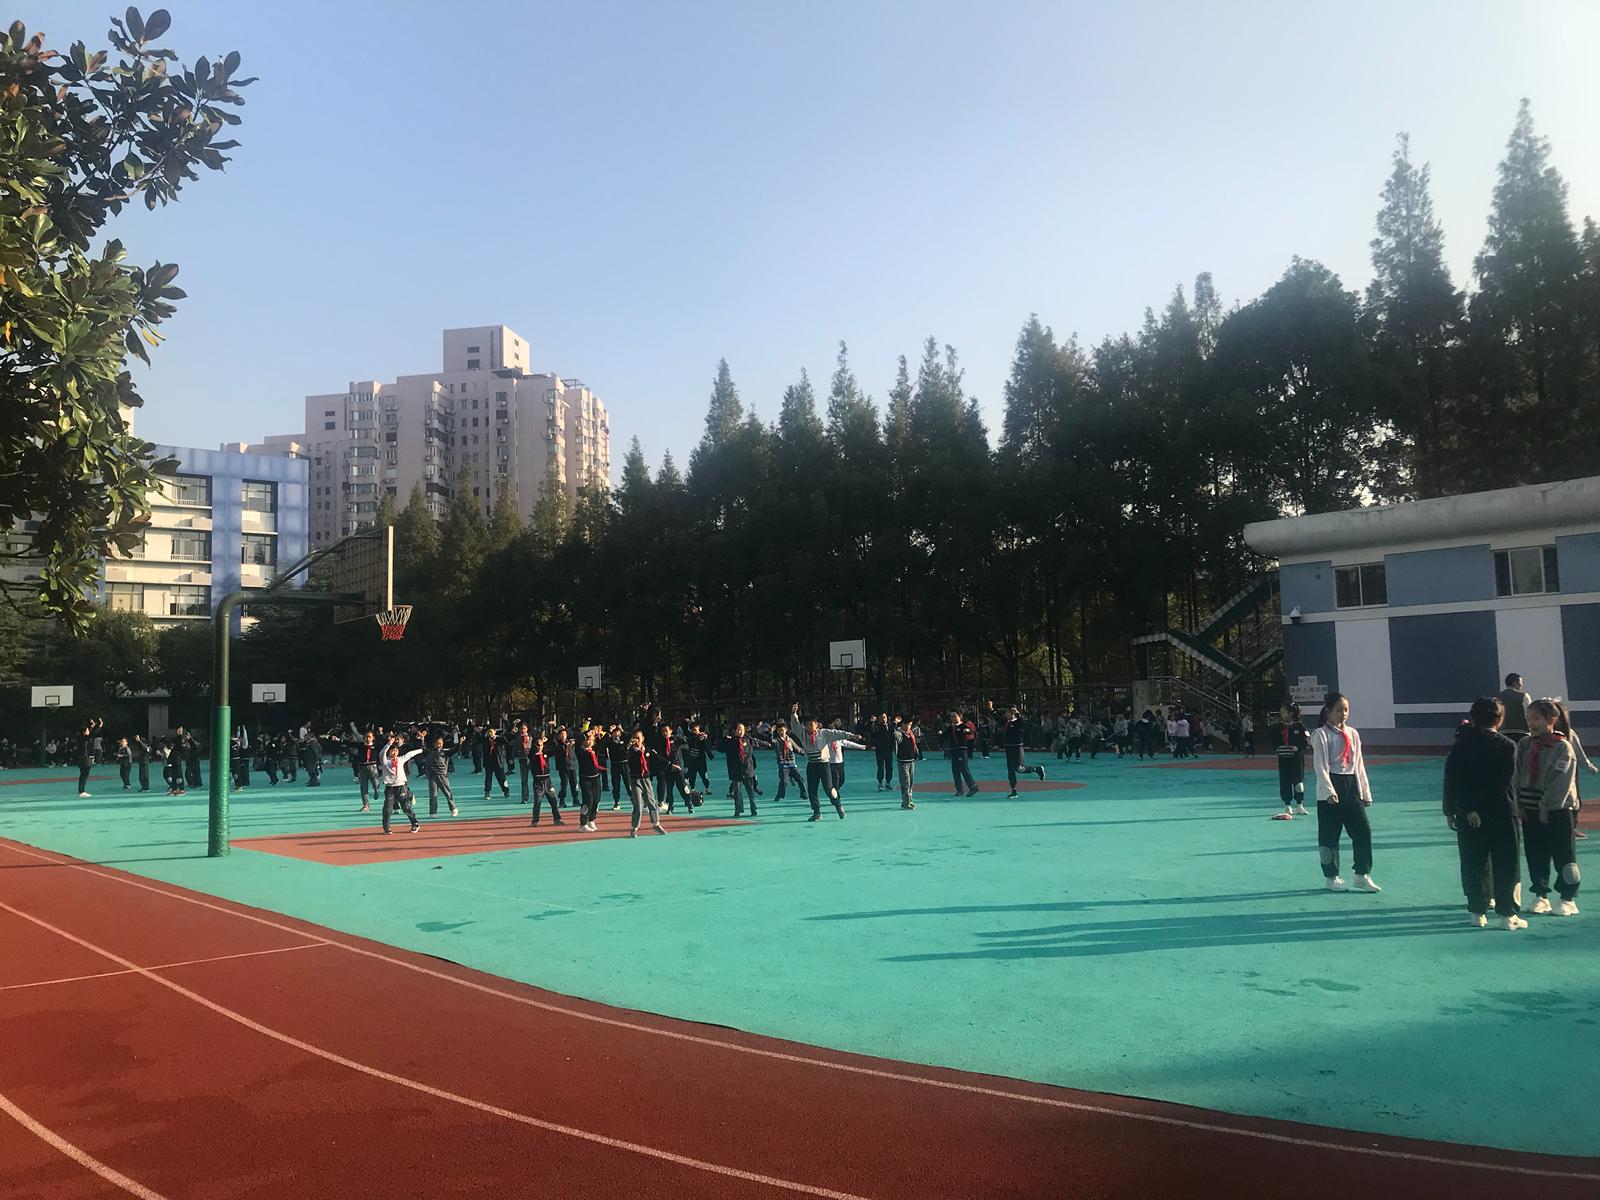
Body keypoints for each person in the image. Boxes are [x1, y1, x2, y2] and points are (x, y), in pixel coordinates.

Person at [1443, 697, 1525, 929]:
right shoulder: (1508, 745)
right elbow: (1504, 780)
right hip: (1502, 811)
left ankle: (1477, 911)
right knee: (1507, 863)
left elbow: (1454, 779)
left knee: (1473, 861)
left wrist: (1462, 809)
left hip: (1469, 815)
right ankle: (1507, 914)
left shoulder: (1461, 745)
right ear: (1500, 720)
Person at [1515, 699, 1580, 916]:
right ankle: (1540, 895)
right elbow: (1516, 773)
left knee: (1564, 855)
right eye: (1528, 719)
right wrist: (1518, 803)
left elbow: (1560, 783)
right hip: (1530, 808)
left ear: (1552, 719)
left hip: (1558, 810)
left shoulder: (1563, 747)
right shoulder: (1525, 744)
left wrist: (1546, 807)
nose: (1531, 723)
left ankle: (1568, 898)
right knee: (1535, 853)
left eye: (1535, 719)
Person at [1310, 693, 1380, 893]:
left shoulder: (1353, 734)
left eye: (1346, 709)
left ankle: (1361, 875)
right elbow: (1320, 766)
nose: (1344, 713)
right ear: (1328, 711)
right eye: (1339, 709)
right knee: (1329, 836)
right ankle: (1331, 877)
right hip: (1331, 788)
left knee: (1363, 831)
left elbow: (1359, 764)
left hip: (1351, 787)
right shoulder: (1320, 734)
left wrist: (1365, 792)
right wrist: (1328, 790)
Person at [624, 729, 667, 838]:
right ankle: (634, 827)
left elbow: (658, 758)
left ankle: (656, 824)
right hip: (635, 780)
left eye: (638, 738)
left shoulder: (647, 750)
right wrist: (628, 746)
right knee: (638, 804)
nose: (636, 740)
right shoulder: (631, 751)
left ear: (643, 739)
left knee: (651, 801)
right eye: (634, 738)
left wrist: (671, 764)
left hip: (646, 779)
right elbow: (624, 753)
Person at [1274, 703, 1311, 820]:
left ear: (1291, 713)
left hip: (1297, 759)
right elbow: (1272, 740)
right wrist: (1277, 748)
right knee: (1285, 781)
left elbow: (1306, 742)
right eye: (1281, 712)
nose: (1282, 714)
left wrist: (1298, 748)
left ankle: (1299, 804)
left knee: (1298, 782)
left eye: (1284, 712)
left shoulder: (1300, 727)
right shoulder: (1279, 728)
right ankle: (1287, 805)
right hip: (1283, 758)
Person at [1001, 706, 1047, 799]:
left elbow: (1023, 723)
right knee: (1010, 770)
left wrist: (1017, 713)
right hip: (1008, 749)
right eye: (1006, 713)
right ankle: (1013, 791)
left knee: (1019, 769)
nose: (1006, 714)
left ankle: (1037, 769)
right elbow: (997, 718)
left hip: (1018, 748)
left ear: (1013, 713)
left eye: (1008, 713)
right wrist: (991, 708)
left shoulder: (1018, 722)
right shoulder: (1007, 722)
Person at [378, 739, 423, 834]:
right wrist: (388, 744)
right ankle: (387, 827)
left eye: (396, 750)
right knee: (388, 809)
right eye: (392, 751)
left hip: (400, 786)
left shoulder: (400, 759)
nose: (395, 752)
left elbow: (410, 754)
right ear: (388, 752)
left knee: (406, 807)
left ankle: (415, 823)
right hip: (390, 787)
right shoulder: (385, 761)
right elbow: (382, 753)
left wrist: (421, 750)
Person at [721, 722, 759, 817]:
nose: (740, 732)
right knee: (737, 792)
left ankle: (753, 809)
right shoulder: (730, 741)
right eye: (738, 730)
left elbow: (759, 742)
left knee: (750, 791)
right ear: (735, 731)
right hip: (735, 770)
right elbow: (720, 748)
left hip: (747, 769)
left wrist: (769, 743)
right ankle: (738, 810)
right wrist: (724, 738)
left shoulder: (748, 739)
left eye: (742, 730)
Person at [527, 731, 564, 826]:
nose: (539, 747)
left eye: (541, 745)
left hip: (548, 781)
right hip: (538, 782)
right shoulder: (533, 755)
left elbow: (555, 749)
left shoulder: (545, 753)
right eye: (538, 745)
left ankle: (557, 819)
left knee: (554, 801)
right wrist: (537, 743)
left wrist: (555, 735)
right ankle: (535, 821)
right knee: (538, 802)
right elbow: (531, 753)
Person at [941, 712, 979, 797]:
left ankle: (973, 787)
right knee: (955, 770)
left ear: (960, 716)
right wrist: (941, 733)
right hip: (953, 750)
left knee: (964, 769)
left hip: (961, 750)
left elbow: (971, 731)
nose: (953, 718)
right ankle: (959, 790)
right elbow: (945, 735)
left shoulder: (963, 726)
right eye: (951, 717)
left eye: (955, 716)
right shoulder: (951, 727)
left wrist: (968, 731)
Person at [421, 733, 458, 817]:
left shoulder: (445, 752)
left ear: (443, 743)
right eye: (437, 743)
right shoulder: (428, 752)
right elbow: (422, 749)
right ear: (433, 744)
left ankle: (453, 808)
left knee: (447, 793)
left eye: (440, 743)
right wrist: (422, 740)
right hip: (432, 776)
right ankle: (433, 812)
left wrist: (460, 743)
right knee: (433, 795)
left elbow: (454, 750)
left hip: (442, 775)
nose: (438, 745)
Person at [576, 728, 605, 832]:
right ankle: (583, 823)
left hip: (596, 778)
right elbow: (578, 740)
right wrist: (586, 734)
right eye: (587, 740)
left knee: (596, 800)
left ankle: (591, 819)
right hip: (585, 779)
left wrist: (598, 732)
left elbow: (604, 740)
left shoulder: (594, 749)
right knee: (588, 800)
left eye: (591, 740)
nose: (589, 742)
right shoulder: (580, 750)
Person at [352, 731, 382, 813]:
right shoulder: (361, 745)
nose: (368, 739)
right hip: (362, 767)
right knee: (363, 787)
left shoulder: (376, 746)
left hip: (373, 767)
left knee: (375, 783)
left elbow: (384, 743)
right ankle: (366, 805)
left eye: (369, 737)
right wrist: (339, 740)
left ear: (373, 738)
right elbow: (350, 744)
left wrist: (381, 734)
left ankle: (376, 791)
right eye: (366, 737)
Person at [895, 717, 921, 809]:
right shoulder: (899, 733)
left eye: (910, 725)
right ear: (902, 724)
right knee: (905, 782)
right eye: (908, 724)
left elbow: (914, 745)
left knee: (910, 783)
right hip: (903, 762)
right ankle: (906, 802)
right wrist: (895, 723)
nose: (909, 727)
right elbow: (893, 734)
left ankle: (909, 800)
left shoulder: (910, 733)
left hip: (911, 761)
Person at [1497, 673, 1531, 741]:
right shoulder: (1523, 696)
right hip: (1521, 733)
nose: (1521, 685)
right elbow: (1529, 714)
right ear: (1515, 682)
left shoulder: (1497, 697)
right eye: (1521, 682)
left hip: (1502, 733)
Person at [481, 726, 510, 799]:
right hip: (488, 762)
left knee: (502, 778)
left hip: (498, 762)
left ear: (495, 731)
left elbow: (508, 739)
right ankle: (487, 792)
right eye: (488, 732)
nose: (490, 733)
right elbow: (479, 737)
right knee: (488, 778)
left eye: (491, 731)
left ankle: (506, 791)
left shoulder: (500, 739)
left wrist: (511, 730)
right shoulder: (485, 740)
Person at [75, 718, 101, 797]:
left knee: (83, 775)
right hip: (85, 759)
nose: (88, 731)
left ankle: (81, 790)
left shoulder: (80, 737)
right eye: (87, 730)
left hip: (82, 759)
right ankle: (82, 791)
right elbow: (92, 734)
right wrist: (99, 726)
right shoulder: (84, 738)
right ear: (84, 732)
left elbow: (90, 733)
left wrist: (92, 726)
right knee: (84, 775)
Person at [872, 713, 896, 792]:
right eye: (881, 718)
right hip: (880, 750)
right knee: (880, 767)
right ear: (879, 719)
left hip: (889, 750)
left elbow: (893, 734)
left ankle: (888, 783)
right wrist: (872, 723)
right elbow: (874, 734)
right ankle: (880, 783)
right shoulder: (877, 727)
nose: (883, 719)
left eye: (884, 717)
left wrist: (895, 723)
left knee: (890, 767)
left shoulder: (890, 726)